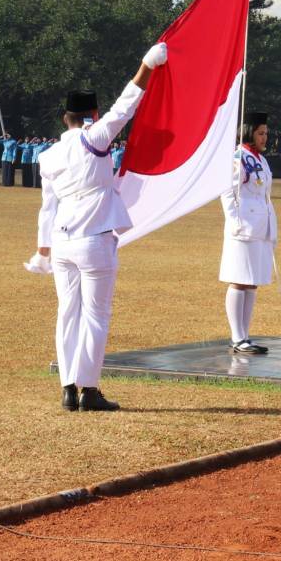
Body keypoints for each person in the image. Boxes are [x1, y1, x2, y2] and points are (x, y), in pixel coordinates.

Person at [26, 41, 168, 412]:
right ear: (92, 115)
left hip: (62, 243)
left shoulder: (48, 155)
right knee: (95, 316)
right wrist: (147, 64)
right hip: (94, 240)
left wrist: (42, 250)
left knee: (67, 313)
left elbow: (47, 207)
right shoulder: (94, 137)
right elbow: (126, 106)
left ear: (65, 119)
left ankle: (67, 388)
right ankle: (88, 389)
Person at [220, 112, 277, 355]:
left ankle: (245, 335)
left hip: (260, 226)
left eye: (266, 133)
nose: (265, 138)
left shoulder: (260, 159)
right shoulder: (238, 157)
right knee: (239, 279)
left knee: (252, 282)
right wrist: (234, 221)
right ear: (248, 132)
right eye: (260, 133)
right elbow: (227, 192)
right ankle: (237, 337)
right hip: (243, 226)